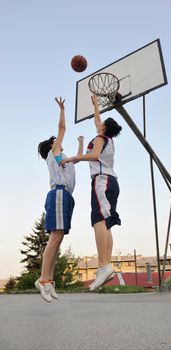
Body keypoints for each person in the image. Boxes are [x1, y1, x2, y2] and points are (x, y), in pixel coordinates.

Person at [61, 94, 122, 291]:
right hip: (111, 182)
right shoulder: (108, 139)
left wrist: (72, 158)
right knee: (107, 223)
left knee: (98, 220)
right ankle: (106, 265)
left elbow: (94, 155)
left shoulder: (99, 138)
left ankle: (103, 266)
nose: (99, 123)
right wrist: (96, 105)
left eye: (101, 123)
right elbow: (97, 120)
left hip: (102, 181)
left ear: (104, 128)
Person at [36, 97, 84, 302]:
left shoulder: (64, 159)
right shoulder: (53, 153)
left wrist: (81, 143)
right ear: (52, 145)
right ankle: (43, 280)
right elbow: (62, 128)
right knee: (54, 237)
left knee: (59, 238)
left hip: (67, 196)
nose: (60, 143)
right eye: (56, 141)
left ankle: (49, 280)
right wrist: (63, 109)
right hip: (58, 193)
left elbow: (79, 158)